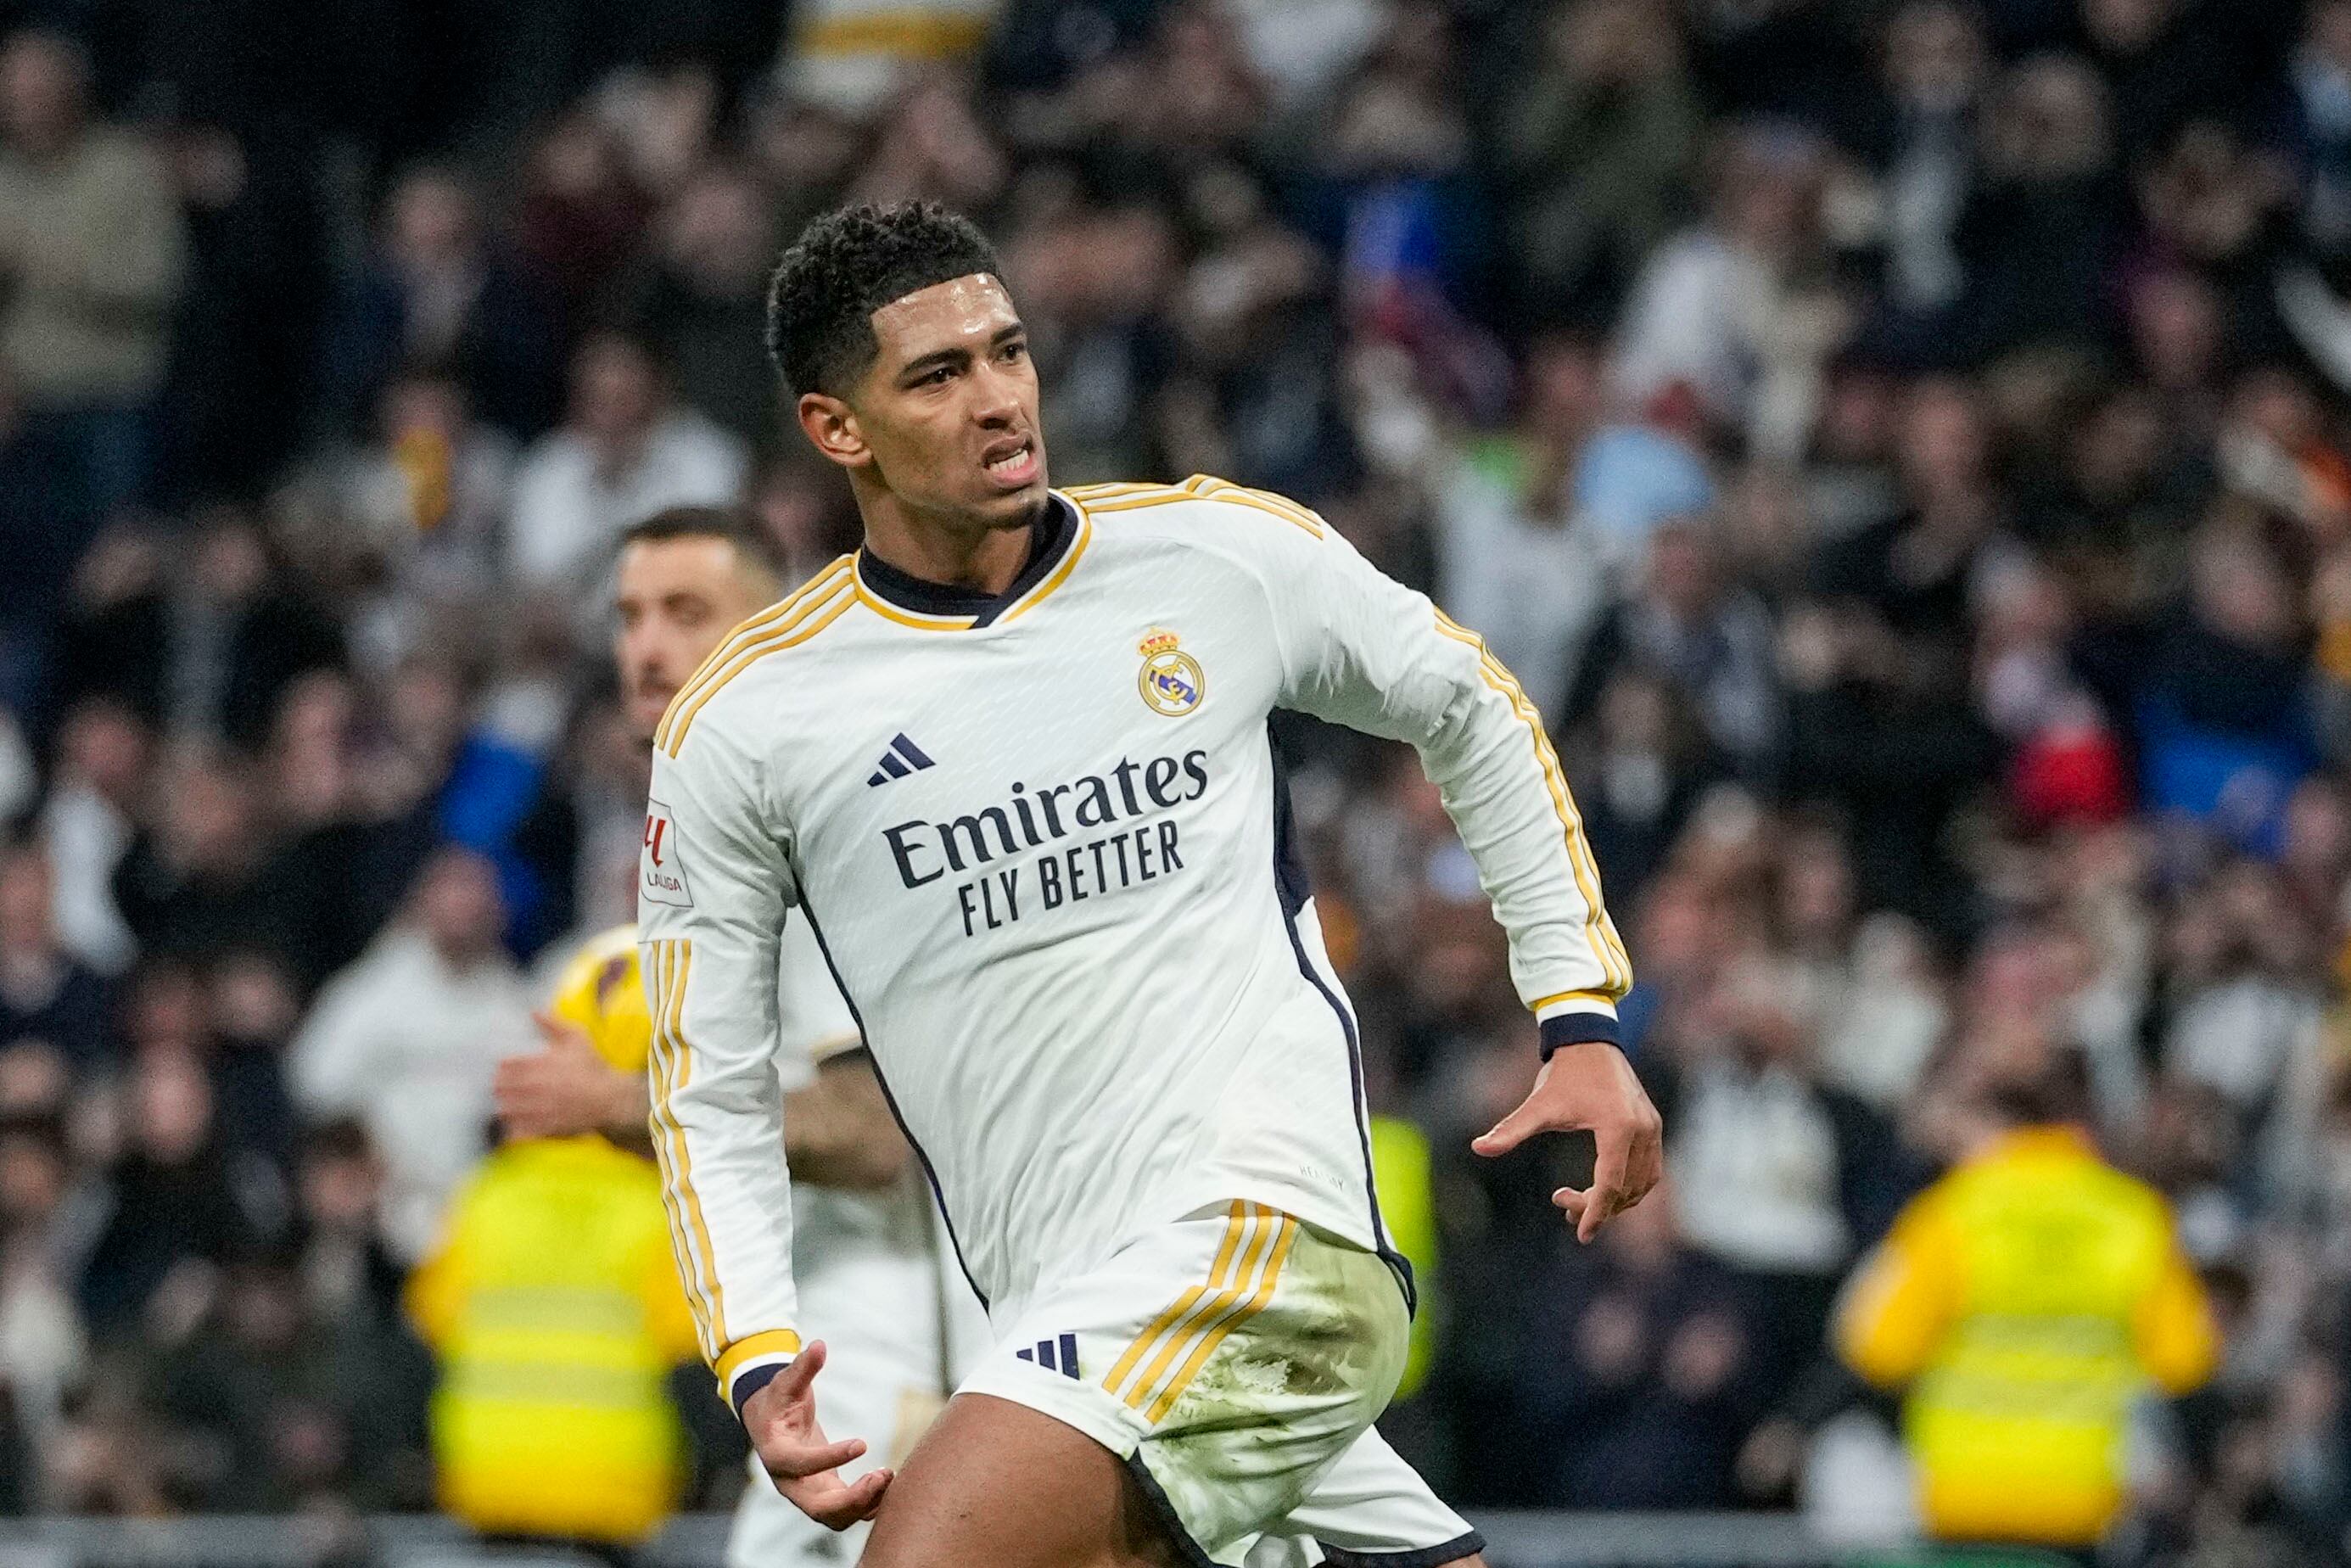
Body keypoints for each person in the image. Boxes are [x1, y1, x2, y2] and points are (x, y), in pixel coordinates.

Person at [642, 200, 1661, 1568]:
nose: (1000, 399)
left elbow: (1466, 705)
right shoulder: (752, 718)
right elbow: (702, 1074)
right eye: (938, 376)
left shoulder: (1210, 558)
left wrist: (1576, 1016)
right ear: (838, 429)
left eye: (1008, 352)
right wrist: (755, 1348)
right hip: (1072, 1329)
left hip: (1265, 1248)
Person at [492, 505, 966, 1568]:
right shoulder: (709, 819)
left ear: (774, 629)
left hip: (894, 1360)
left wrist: (621, 1102)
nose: (645, 646)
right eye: (628, 617)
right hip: (815, 1352)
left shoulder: (808, 821)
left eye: (685, 612)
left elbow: (882, 1132)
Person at [1834, 1057, 2220, 1559]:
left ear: (2002, 1123)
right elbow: (2186, 1360)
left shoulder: (1952, 1212)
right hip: (2080, 1499)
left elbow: (1878, 1349)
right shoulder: (2135, 1218)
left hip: (1965, 1492)